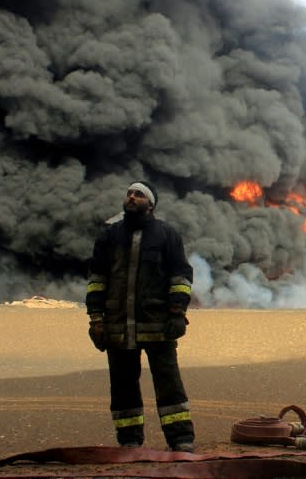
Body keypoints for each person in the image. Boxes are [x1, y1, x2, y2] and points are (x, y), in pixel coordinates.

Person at [85, 180, 195, 452]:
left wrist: (177, 312)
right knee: (123, 387)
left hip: (158, 325)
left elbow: (180, 277)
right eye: (129, 194)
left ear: (151, 204)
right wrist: (96, 319)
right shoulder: (109, 237)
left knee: (169, 384)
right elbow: (97, 280)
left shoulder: (167, 235)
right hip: (118, 326)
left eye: (139, 195)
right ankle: (129, 441)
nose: (132, 198)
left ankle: (180, 439)